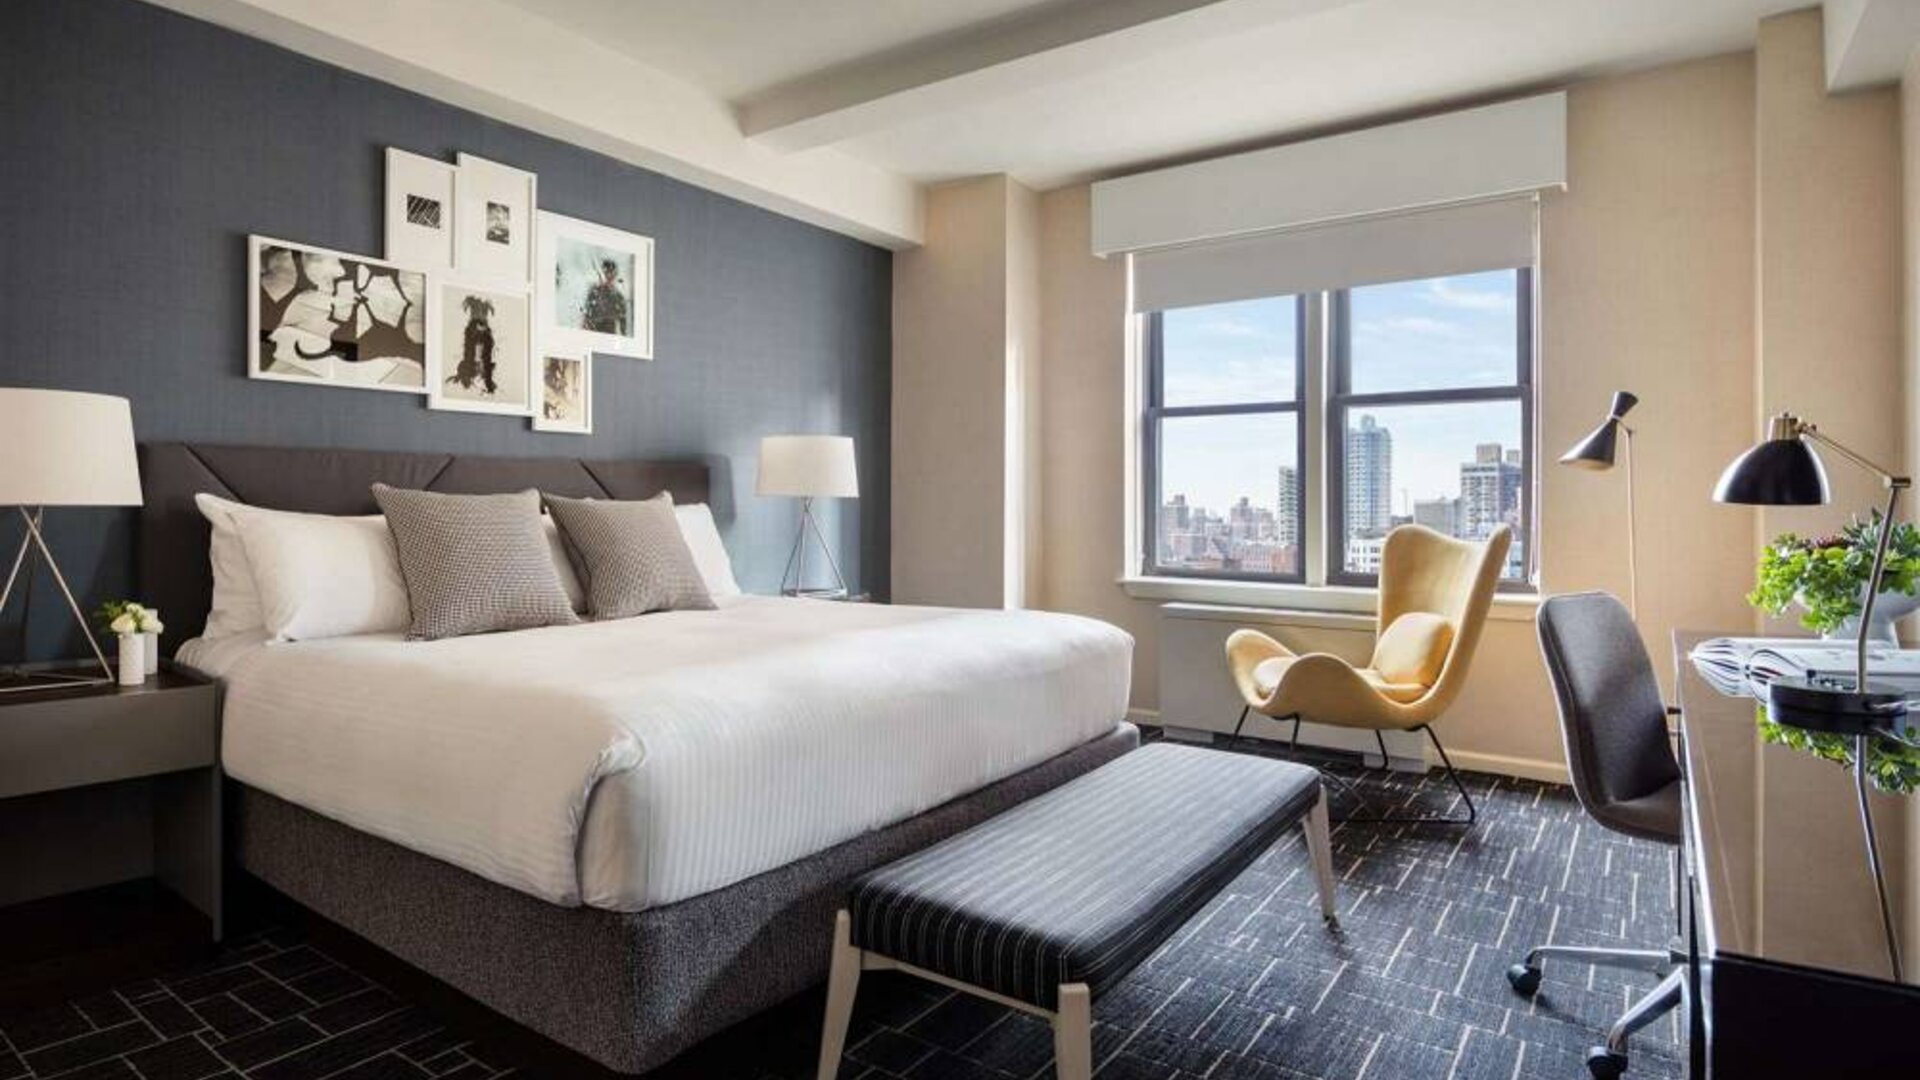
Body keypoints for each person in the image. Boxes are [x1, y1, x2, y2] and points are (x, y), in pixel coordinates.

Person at [581, 258, 627, 335]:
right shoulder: (594, 291)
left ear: (614, 276)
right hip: (593, 333)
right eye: (606, 273)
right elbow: (586, 316)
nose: (608, 277)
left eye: (611, 274)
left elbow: (623, 324)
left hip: (609, 335)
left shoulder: (619, 297)